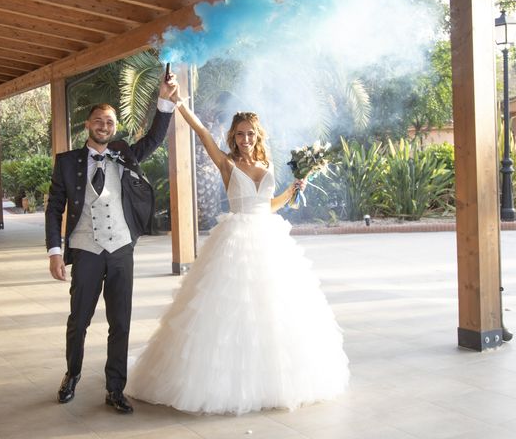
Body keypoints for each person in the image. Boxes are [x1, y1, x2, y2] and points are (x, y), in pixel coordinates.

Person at [126, 103, 349, 415]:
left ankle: (272, 381)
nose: (245, 138)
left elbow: (269, 205)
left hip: (269, 238)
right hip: (235, 240)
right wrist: (178, 103)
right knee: (231, 309)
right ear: (233, 136)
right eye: (240, 133)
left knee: (274, 309)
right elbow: (202, 133)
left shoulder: (267, 163)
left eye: (250, 133)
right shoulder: (227, 163)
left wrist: (292, 190)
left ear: (258, 135)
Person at [45, 71, 180, 414]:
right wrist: (55, 252)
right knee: (80, 320)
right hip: (86, 249)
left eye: (110, 121)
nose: (104, 126)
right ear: (88, 125)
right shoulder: (66, 162)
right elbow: (54, 208)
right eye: (98, 120)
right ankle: (71, 375)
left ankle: (115, 388)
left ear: (115, 127)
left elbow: (153, 138)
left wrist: (164, 100)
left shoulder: (124, 155)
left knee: (120, 321)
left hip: (121, 249)